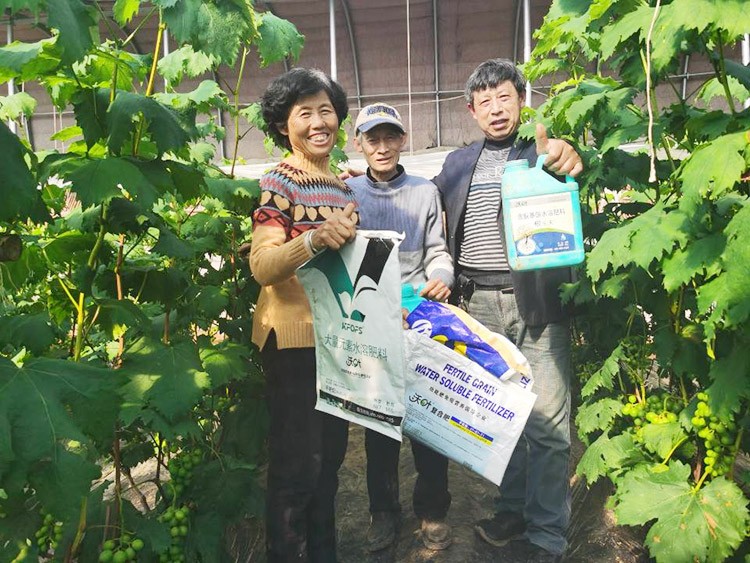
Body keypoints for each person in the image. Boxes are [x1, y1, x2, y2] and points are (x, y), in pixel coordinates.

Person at [432, 58, 583, 563]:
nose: (496, 109)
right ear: (471, 109)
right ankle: (512, 508)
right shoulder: (457, 164)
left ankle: (545, 535)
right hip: (476, 305)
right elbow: (420, 202)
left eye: (505, 98)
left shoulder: (540, 151)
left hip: (535, 302)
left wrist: (567, 154)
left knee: (547, 422)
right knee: (502, 416)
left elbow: (572, 163)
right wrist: (360, 181)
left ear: (521, 101)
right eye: (485, 101)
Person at [249, 67, 358, 563]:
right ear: (283, 125)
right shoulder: (279, 181)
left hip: (335, 344)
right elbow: (264, 265)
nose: (318, 122)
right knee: (297, 469)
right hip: (292, 344)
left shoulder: (343, 188)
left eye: (326, 111)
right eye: (304, 113)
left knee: (329, 463)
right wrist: (312, 239)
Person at [345, 102, 454, 552]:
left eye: (391, 137)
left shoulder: (425, 191)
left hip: (419, 322)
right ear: (360, 144)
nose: (383, 146)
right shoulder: (349, 193)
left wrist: (441, 277)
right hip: (371, 325)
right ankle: (383, 514)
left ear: (403, 140)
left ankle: (432, 511)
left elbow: (438, 250)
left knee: (428, 424)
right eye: (373, 138)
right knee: (379, 429)